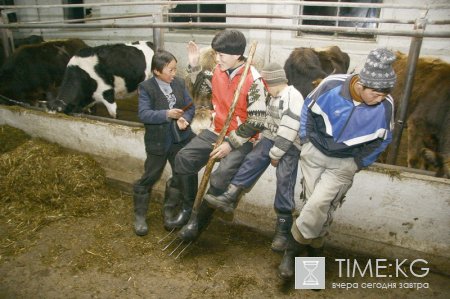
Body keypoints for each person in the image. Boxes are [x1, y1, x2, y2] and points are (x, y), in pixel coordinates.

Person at [278, 48, 397, 280]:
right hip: (314, 154)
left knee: (319, 204)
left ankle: (291, 250)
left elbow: (385, 139)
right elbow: (307, 110)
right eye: (376, 93)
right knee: (315, 210)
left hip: (344, 163)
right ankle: (311, 274)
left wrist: (359, 162)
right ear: (361, 84)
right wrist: (306, 139)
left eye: (386, 93)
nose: (381, 99)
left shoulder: (385, 105)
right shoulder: (331, 86)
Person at [174, 29, 267, 241]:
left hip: (242, 138)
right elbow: (202, 90)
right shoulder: (219, 70)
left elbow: (257, 121)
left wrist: (231, 144)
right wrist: (194, 65)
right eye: (216, 54)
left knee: (220, 178)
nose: (216, 58)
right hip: (217, 129)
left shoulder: (254, 81)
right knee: (184, 158)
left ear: (236, 55)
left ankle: (198, 223)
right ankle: (189, 209)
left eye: (220, 54)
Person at [205, 62, 304, 253]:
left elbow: (289, 130)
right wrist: (262, 144)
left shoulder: (293, 97)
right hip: (272, 138)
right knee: (253, 159)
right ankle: (230, 196)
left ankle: (283, 232)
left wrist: (275, 154)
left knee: (285, 180)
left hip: (290, 145)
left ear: (272, 83)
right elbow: (269, 124)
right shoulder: (275, 97)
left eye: (266, 87)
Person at [133, 49, 195, 236]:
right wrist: (166, 114)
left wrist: (185, 119)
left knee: (179, 175)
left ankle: (169, 211)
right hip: (158, 142)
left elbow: (191, 106)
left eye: (175, 69)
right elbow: (143, 114)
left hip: (179, 140)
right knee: (150, 176)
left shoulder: (179, 83)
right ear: (157, 71)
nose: (174, 73)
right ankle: (140, 216)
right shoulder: (146, 87)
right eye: (171, 70)